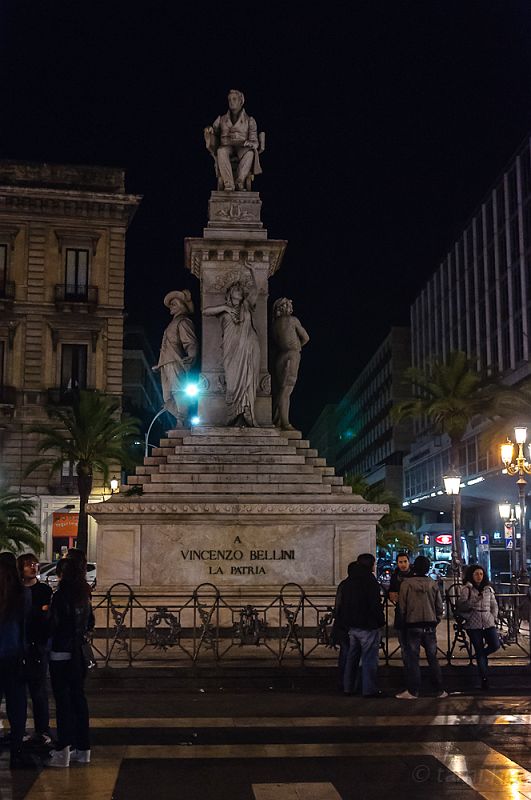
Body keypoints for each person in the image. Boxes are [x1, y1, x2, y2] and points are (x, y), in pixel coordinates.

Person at [46, 558, 94, 768]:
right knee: (79, 699)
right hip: (79, 653)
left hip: (61, 652)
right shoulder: (84, 594)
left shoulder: (60, 595)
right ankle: (83, 749)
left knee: (63, 702)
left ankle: (63, 749)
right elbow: (90, 622)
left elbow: (54, 625)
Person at [204, 263, 260, 426]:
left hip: (249, 346)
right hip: (231, 348)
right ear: (229, 293)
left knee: (248, 377)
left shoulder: (246, 305)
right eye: (236, 289)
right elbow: (205, 311)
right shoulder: (223, 310)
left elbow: (255, 292)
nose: (239, 291)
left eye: (241, 290)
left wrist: (253, 272)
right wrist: (225, 308)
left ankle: (247, 410)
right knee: (232, 380)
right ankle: (233, 412)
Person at [396, 555, 447, 699]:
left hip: (413, 624)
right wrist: (436, 619)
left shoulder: (406, 584)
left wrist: (404, 620)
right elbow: (439, 606)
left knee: (413, 658)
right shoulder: (432, 583)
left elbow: (402, 606)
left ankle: (413, 690)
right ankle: (439, 689)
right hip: (429, 624)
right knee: (432, 657)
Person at [335, 553, 385, 697]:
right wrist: (380, 621)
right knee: (369, 658)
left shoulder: (348, 582)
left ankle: (348, 687)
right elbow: (374, 604)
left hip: (352, 626)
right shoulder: (370, 581)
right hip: (368, 625)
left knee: (352, 658)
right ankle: (369, 689)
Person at [17, 553, 52, 746]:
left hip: (37, 645)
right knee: (19, 692)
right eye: (28, 564)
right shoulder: (16, 590)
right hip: (19, 645)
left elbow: (44, 616)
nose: (33, 567)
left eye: (35, 564)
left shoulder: (44, 589)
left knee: (38, 691)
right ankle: (19, 730)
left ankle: (42, 730)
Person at [0, 552, 30, 769]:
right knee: (17, 705)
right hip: (14, 655)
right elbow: (26, 626)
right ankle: (17, 751)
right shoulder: (22, 594)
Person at [153, 290, 198, 427]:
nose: (171, 307)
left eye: (173, 304)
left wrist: (192, 356)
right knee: (167, 398)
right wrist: (160, 364)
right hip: (166, 363)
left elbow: (190, 342)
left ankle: (182, 420)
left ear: (181, 305)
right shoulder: (174, 322)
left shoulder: (183, 322)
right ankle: (181, 418)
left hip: (176, 361)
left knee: (178, 391)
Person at [204, 89, 262, 191]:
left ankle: (239, 181)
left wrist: (250, 143)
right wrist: (209, 129)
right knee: (221, 151)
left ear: (241, 101)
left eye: (234, 99)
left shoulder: (250, 120)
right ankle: (229, 184)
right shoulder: (221, 119)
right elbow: (214, 132)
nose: (231, 102)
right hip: (226, 145)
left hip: (242, 147)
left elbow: (255, 141)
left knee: (250, 153)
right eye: (230, 99)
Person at [457, 565, 499, 690]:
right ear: (471, 575)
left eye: (481, 574)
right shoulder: (467, 589)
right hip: (473, 623)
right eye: (476, 574)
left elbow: (494, 605)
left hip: (488, 621)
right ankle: (484, 678)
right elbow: (461, 606)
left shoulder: (488, 589)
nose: (479, 576)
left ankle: (480, 656)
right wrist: (474, 601)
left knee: (495, 645)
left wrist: (493, 617)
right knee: (479, 649)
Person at [271, 298, 309, 430]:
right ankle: (285, 423)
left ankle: (277, 419)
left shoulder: (274, 325)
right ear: (285, 307)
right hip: (292, 354)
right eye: (289, 305)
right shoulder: (293, 320)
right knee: (287, 391)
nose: (291, 308)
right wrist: (297, 347)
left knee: (281, 390)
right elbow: (306, 338)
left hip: (280, 357)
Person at [388, 552, 412, 679]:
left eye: (405, 562)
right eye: (400, 562)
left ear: (409, 562)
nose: (403, 564)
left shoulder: (414, 575)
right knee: (404, 645)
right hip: (401, 614)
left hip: (413, 614)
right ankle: (408, 670)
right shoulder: (395, 576)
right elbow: (391, 593)